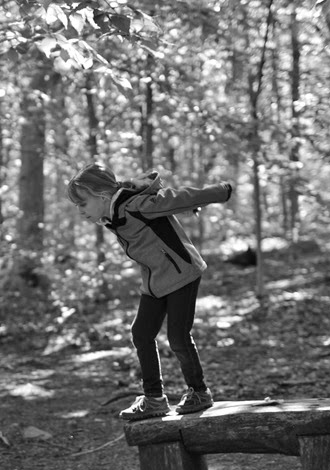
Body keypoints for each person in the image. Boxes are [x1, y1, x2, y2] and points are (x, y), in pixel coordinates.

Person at [67, 162, 233, 421]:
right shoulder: (114, 215)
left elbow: (179, 198)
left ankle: (199, 392)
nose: (79, 210)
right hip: (155, 280)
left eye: (83, 203)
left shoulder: (137, 206)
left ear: (102, 196)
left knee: (178, 336)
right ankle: (154, 399)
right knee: (141, 333)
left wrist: (221, 191)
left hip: (182, 272)